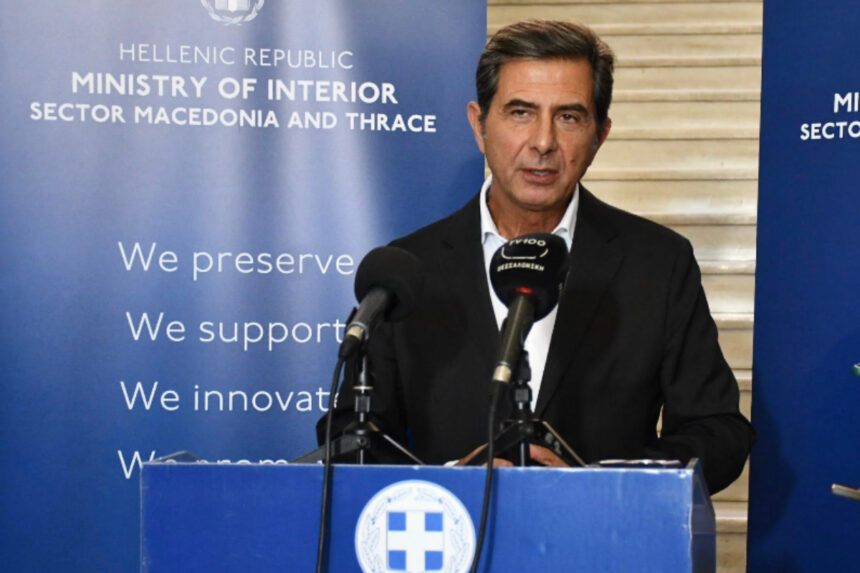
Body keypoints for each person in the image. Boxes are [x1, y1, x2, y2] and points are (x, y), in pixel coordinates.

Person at [318, 19, 754, 494]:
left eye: (568, 117)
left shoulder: (658, 263)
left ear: (600, 135)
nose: (543, 142)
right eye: (521, 113)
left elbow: (719, 432)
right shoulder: (407, 269)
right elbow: (348, 437)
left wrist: (597, 485)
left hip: (601, 534)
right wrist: (448, 483)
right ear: (479, 125)